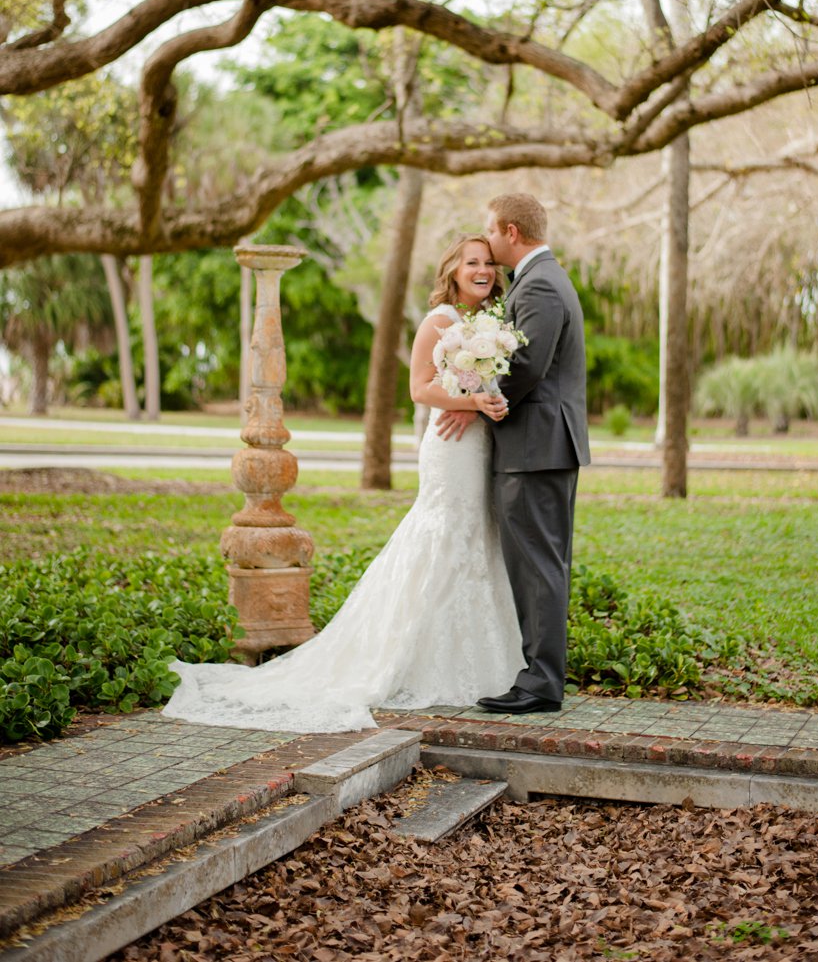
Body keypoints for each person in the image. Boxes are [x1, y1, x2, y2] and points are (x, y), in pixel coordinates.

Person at [162, 233, 524, 733]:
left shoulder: (488, 324)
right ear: (453, 271)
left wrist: (488, 402)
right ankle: (407, 657)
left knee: (479, 536)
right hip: (449, 447)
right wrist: (470, 404)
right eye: (471, 262)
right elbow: (421, 389)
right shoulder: (438, 322)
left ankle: (486, 659)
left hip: (480, 443)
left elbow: (487, 384)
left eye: (488, 263)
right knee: (442, 534)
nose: (482, 270)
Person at [437, 193, 591, 715]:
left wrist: (477, 402)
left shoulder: (542, 283)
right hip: (540, 445)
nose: (487, 242)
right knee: (540, 563)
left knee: (539, 566)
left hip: (536, 446)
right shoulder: (543, 278)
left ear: (510, 231)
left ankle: (541, 683)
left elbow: (527, 367)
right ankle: (540, 675)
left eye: (490, 233)